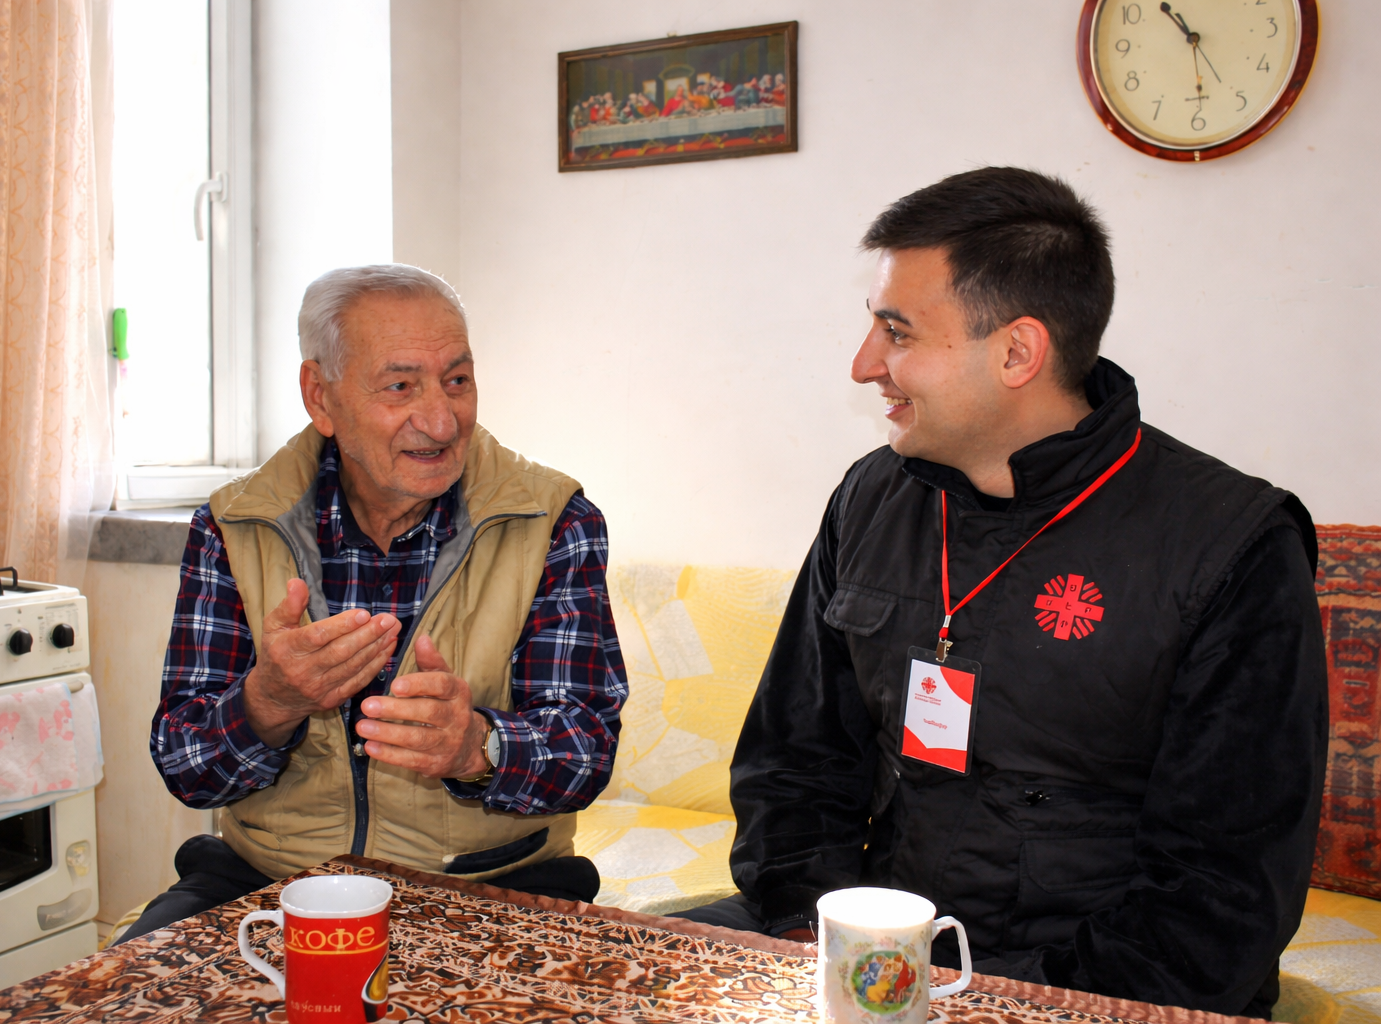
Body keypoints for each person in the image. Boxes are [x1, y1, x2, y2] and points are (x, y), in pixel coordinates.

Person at [673, 168, 1326, 1018]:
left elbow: (1220, 900)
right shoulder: (872, 497)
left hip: (1102, 991)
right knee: (630, 973)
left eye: (897, 333)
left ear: (1018, 352)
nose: (864, 365)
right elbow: (793, 765)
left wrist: (1000, 1005)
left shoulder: (1231, 546)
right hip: (881, 955)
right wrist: (816, 932)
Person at [120, 265, 627, 942]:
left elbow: (586, 753)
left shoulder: (552, 521)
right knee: (119, 987)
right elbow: (187, 768)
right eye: (400, 386)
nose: (441, 420)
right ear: (320, 396)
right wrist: (267, 703)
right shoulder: (235, 526)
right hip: (272, 879)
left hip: (492, 881)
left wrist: (479, 746)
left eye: (457, 380)